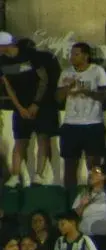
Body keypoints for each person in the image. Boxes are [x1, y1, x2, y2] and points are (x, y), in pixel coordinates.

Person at [57, 42, 106, 192]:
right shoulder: (66, 73)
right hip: (70, 124)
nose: (72, 57)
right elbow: (58, 98)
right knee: (69, 164)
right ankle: (70, 197)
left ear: (86, 56)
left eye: (76, 54)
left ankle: (96, 193)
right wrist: (68, 87)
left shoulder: (97, 71)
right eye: (71, 54)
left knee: (94, 164)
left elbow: (105, 97)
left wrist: (85, 90)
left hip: (93, 123)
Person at [0, 32, 50, 188]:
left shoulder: (30, 56)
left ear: (6, 45)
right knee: (20, 141)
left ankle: (38, 176)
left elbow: (44, 80)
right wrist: (19, 108)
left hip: (40, 105)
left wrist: (36, 103)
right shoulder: (2, 62)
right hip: (20, 107)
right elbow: (8, 87)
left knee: (43, 138)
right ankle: (15, 176)